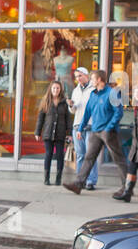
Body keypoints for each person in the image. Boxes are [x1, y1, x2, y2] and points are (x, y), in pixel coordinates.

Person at [63, 70, 130, 198]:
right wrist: (80, 128)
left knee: (119, 160)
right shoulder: (93, 94)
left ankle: (127, 188)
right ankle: (78, 184)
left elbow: (119, 112)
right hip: (95, 131)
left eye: (93, 79)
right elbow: (87, 112)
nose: (91, 81)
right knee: (89, 158)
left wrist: (108, 128)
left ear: (99, 80)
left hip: (108, 132)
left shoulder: (112, 93)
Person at [34, 80, 71, 186]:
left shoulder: (64, 103)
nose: (56, 90)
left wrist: (69, 133)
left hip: (60, 133)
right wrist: (37, 132)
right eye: (54, 88)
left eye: (58, 88)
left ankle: (58, 179)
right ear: (51, 89)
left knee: (60, 155)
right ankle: (46, 178)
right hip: (48, 132)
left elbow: (68, 119)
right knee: (48, 154)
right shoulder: (46, 101)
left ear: (60, 90)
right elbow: (40, 118)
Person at [68, 67, 99, 189]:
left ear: (86, 75)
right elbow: (73, 111)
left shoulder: (94, 89)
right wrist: (71, 106)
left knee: (90, 155)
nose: (78, 79)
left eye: (80, 76)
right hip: (77, 126)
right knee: (80, 155)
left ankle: (91, 181)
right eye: (76, 77)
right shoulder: (75, 91)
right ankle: (80, 180)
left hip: (90, 126)